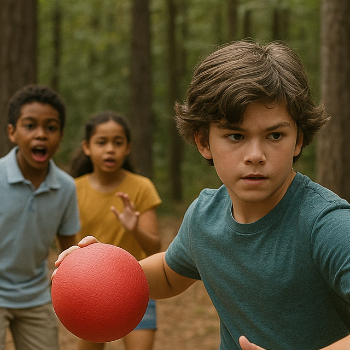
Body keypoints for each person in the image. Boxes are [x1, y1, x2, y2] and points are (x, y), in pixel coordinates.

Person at [54, 40, 350, 350]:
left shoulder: (327, 224)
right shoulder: (205, 215)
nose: (255, 155)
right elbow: (170, 274)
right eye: (235, 135)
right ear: (203, 141)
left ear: (298, 139)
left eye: (274, 135)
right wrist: (103, 268)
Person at [69, 110, 162, 350]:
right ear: (87, 147)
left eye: (117, 143)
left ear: (127, 148)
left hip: (137, 287)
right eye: (102, 142)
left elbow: (154, 247)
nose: (110, 149)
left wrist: (134, 229)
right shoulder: (73, 190)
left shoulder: (141, 187)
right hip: (90, 289)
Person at [0, 84, 80, 350]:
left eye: (50, 127)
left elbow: (69, 248)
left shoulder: (66, 186)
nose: (41, 135)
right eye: (30, 125)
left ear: (61, 135)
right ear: (12, 132)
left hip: (35, 295)